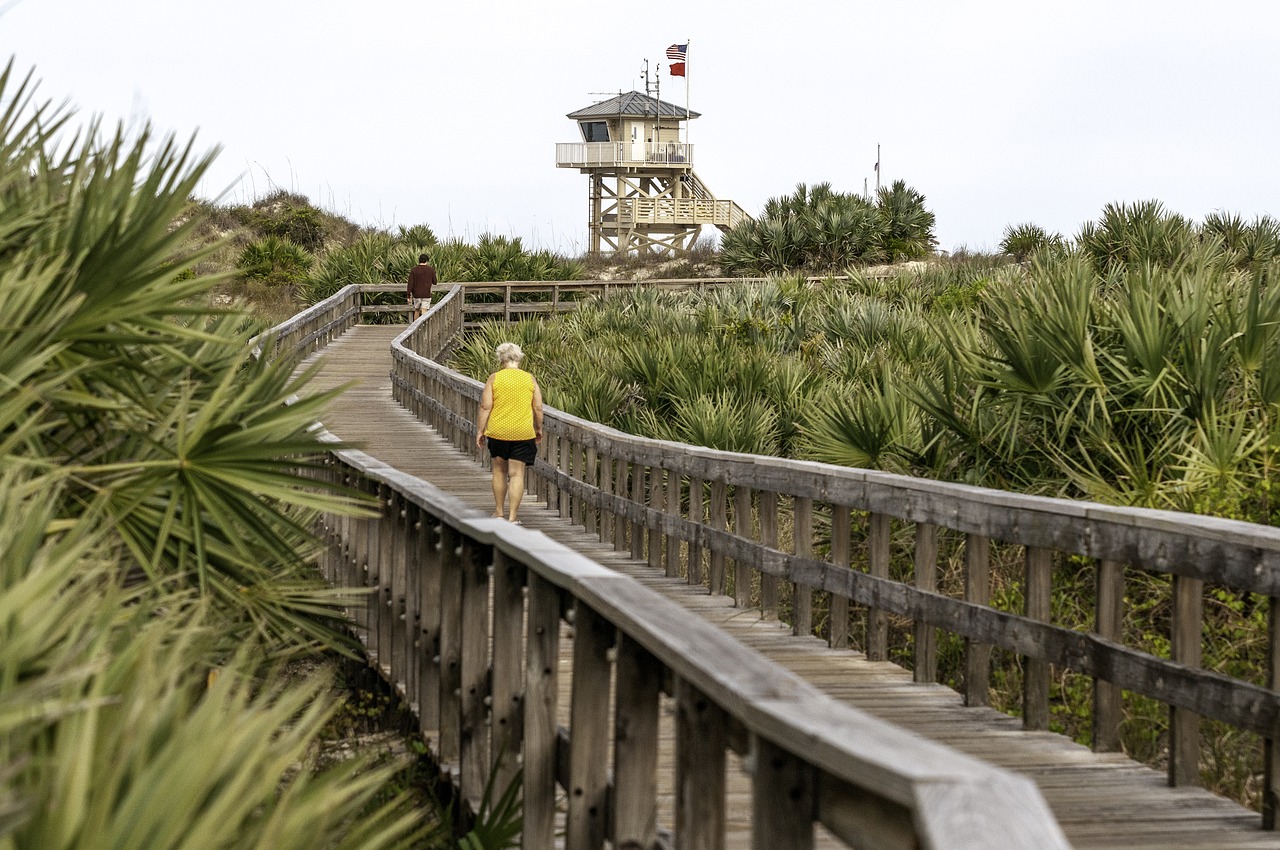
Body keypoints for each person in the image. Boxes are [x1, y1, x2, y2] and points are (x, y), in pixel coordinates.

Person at [475, 342, 543, 523]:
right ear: (519, 358)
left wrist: (480, 431)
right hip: (523, 432)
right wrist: (539, 428)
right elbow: (537, 407)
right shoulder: (529, 379)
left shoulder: (494, 378)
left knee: (499, 471)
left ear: (501, 359)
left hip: (498, 432)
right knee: (517, 474)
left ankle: (499, 512)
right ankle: (513, 517)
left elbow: (485, 406)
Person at [406, 253, 437, 321]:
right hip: (426, 293)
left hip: (416, 294)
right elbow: (435, 282)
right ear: (427, 261)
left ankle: (415, 327)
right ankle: (423, 328)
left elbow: (410, 283)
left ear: (419, 260)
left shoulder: (414, 270)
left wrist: (408, 295)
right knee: (424, 310)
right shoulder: (430, 270)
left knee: (416, 310)